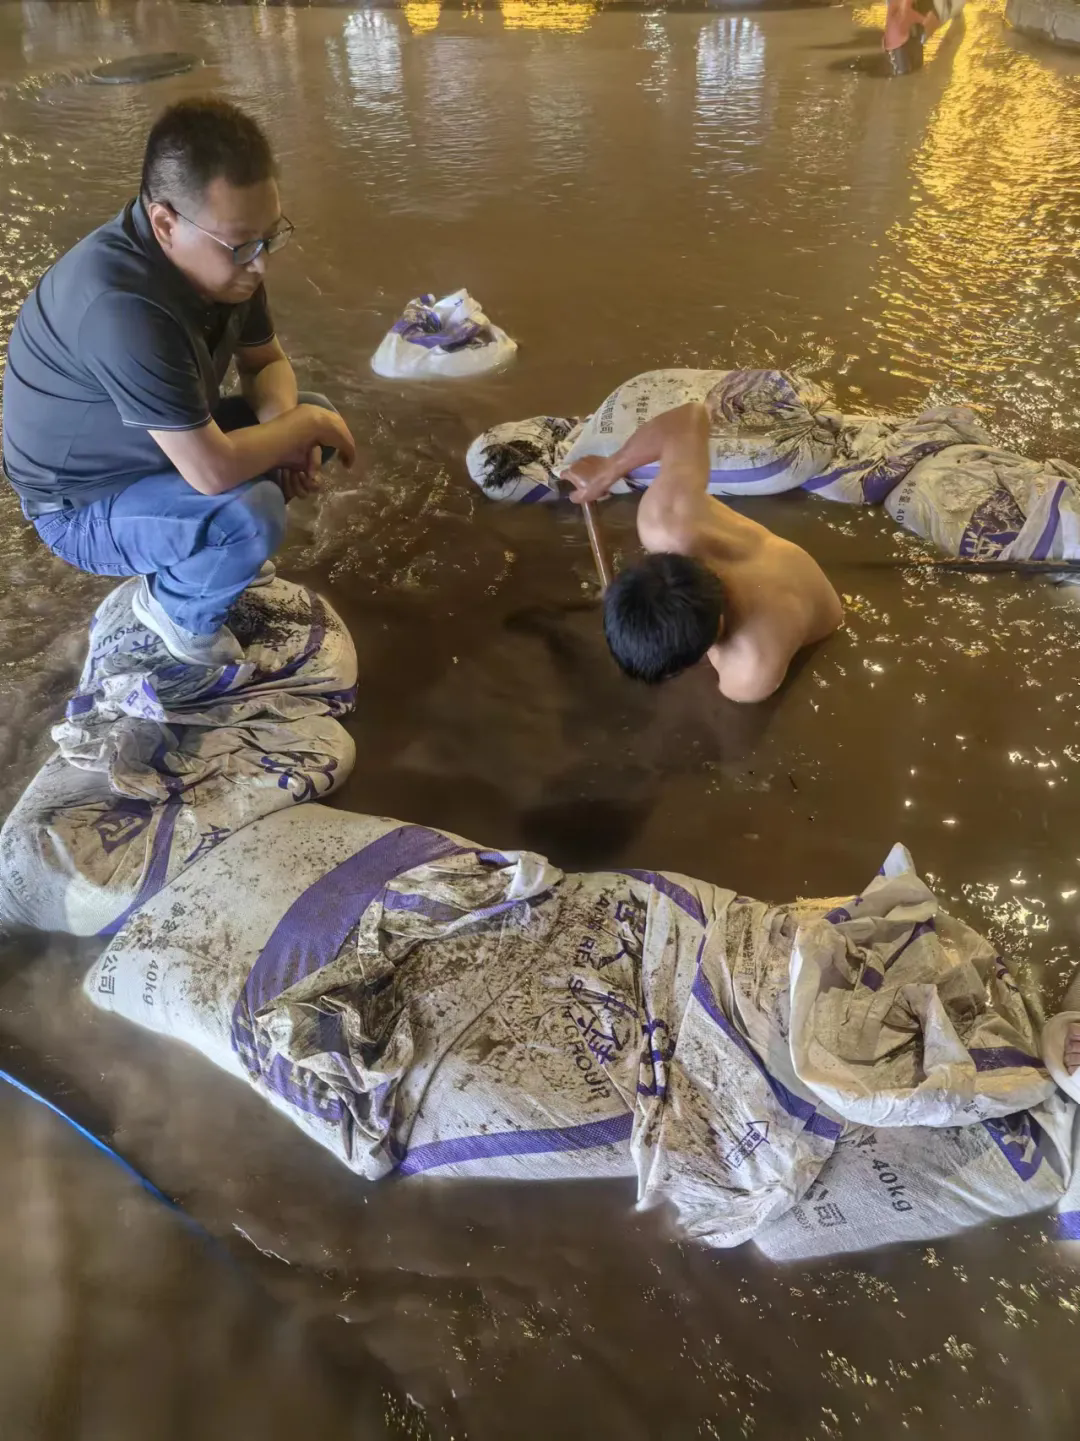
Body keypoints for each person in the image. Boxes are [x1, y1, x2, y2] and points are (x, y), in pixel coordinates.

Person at [1, 98, 355, 666]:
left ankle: (201, 558)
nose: (261, 264)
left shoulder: (226, 261)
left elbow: (265, 362)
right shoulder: (123, 305)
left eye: (270, 237)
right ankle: (174, 612)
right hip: (80, 506)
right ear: (165, 223)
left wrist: (290, 431)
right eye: (244, 244)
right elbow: (212, 472)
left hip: (152, 451)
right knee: (250, 511)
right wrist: (300, 428)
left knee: (307, 419)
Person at [565, 403, 843, 704]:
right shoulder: (666, 519)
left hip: (817, 613)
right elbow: (687, 419)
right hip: (778, 562)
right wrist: (609, 468)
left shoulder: (749, 672)